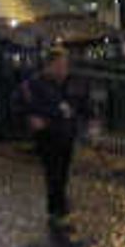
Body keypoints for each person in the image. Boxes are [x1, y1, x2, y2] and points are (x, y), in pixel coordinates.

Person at [18, 43, 85, 224]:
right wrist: (32, 117)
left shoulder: (67, 82)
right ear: (50, 65)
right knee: (53, 171)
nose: (64, 69)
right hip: (48, 134)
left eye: (65, 65)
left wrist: (80, 116)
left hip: (65, 133)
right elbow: (22, 104)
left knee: (62, 170)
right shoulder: (34, 84)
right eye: (60, 65)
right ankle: (57, 209)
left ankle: (57, 206)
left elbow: (78, 102)